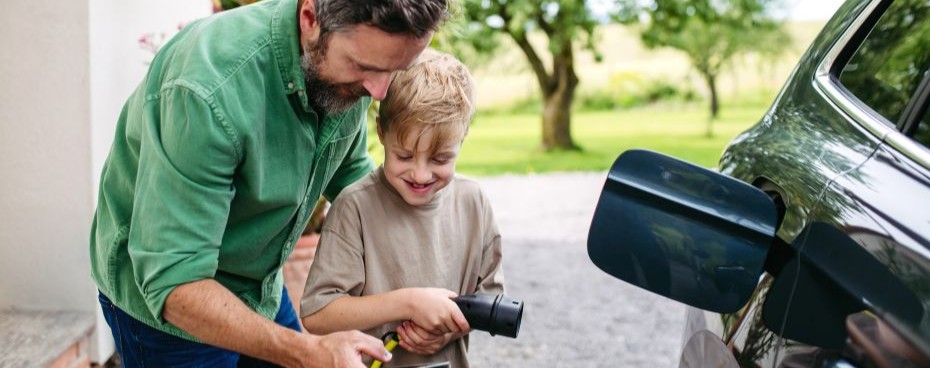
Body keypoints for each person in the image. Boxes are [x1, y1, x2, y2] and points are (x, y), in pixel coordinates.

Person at [89, 0, 449, 366]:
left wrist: (419, 287)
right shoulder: (208, 90)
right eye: (363, 67)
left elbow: (351, 175)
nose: (379, 92)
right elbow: (175, 281)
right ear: (310, 19)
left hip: (257, 286)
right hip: (172, 312)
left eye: (395, 69)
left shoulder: (352, 67)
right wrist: (307, 351)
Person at [300, 49, 505, 368]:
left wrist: (446, 330)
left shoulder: (473, 202)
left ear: (461, 140)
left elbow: (490, 301)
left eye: (440, 159)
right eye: (405, 156)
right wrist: (407, 304)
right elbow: (318, 313)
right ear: (381, 132)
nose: (421, 174)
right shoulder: (355, 207)